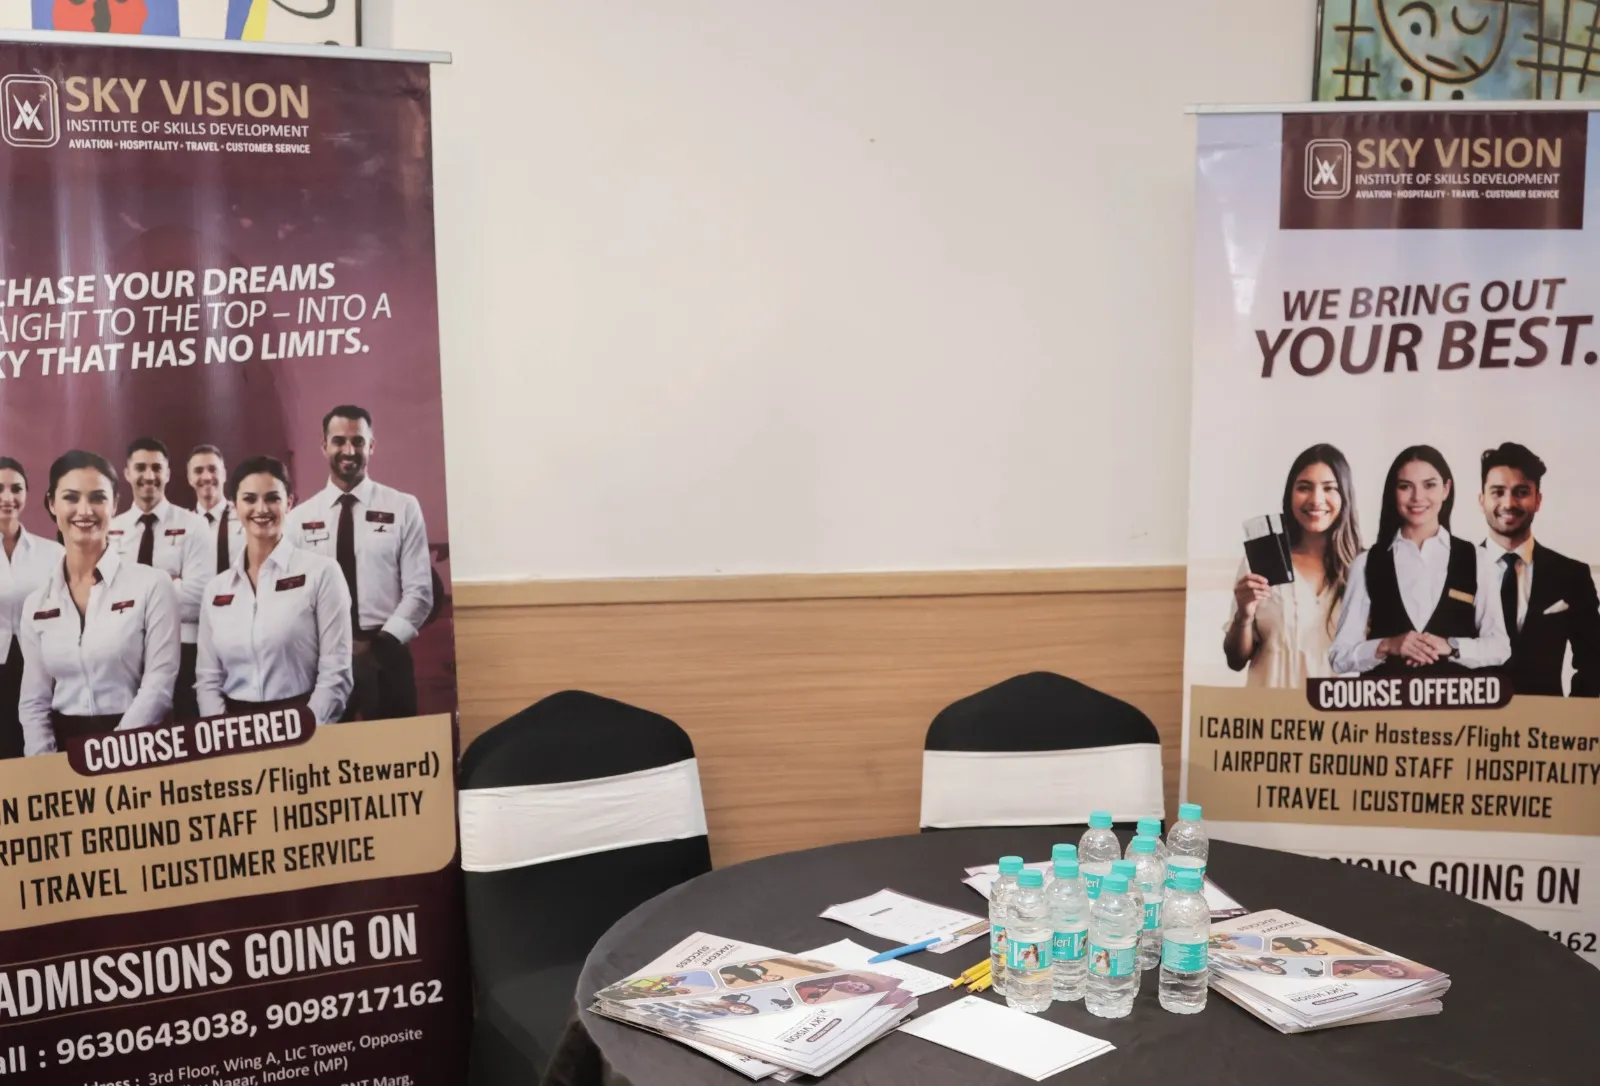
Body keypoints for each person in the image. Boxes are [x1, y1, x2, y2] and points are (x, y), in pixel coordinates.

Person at [17, 451, 179, 754]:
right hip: (62, 752)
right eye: (71, 498)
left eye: (97, 498)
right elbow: (34, 701)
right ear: (52, 503)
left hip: (136, 748)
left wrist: (110, 754)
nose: (85, 510)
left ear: (114, 504)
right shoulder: (36, 604)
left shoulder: (153, 585)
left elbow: (158, 687)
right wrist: (44, 763)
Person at [285, 406, 431, 721]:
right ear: (324, 446)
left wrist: (380, 644)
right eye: (339, 441)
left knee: (397, 746)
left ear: (371, 446)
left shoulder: (403, 507)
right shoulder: (297, 520)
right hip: (322, 661)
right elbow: (291, 597)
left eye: (358, 441)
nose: (349, 451)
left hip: (387, 654)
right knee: (326, 748)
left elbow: (420, 592)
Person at [195, 457, 353, 726]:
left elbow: (336, 674)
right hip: (234, 728)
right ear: (234, 506)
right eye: (249, 499)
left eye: (272, 498)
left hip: (304, 722)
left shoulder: (322, 573)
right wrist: (223, 732)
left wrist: (304, 729)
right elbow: (208, 679)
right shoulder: (216, 589)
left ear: (289, 503)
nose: (261, 509)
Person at [1331, 446, 1510, 676]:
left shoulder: (1478, 559)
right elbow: (1340, 657)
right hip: (1388, 698)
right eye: (1405, 486)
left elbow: (1499, 647)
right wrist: (1387, 645)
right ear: (1393, 492)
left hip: (1456, 698)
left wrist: (1452, 646)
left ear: (1446, 489)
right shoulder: (1366, 564)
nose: (1417, 497)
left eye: (1429, 485)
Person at [1225, 444, 1363, 685]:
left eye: (1329, 488)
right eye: (1304, 488)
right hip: (1273, 705)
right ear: (1290, 495)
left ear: (1345, 496)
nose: (1316, 499)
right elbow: (1236, 660)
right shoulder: (1261, 561)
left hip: (1339, 707)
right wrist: (1244, 615)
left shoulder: (1365, 568)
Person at [1477, 443, 1599, 698]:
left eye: (1521, 492)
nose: (1509, 503)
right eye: (1497, 492)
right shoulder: (1452, 572)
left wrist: (1570, 717)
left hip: (1547, 721)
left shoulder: (1572, 575)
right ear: (1482, 500)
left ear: (1538, 500)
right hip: (1470, 721)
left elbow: (1593, 662)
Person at [108, 438, 210, 719]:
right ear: (127, 473)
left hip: (183, 650)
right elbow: (101, 599)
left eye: (156, 468)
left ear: (168, 473)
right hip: (125, 654)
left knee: (184, 733)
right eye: (141, 468)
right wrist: (171, 583)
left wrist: (130, 598)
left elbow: (198, 598)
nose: (149, 476)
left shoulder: (194, 525)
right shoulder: (111, 530)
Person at [0, 459, 63, 758]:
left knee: (34, 745)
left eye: (16, 489)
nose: (7, 497)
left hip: (39, 665)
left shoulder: (52, 553)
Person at [188, 444, 245, 577]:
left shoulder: (245, 517)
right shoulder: (184, 524)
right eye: (198, 471)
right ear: (190, 478)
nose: (207, 477)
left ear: (224, 474)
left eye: (213, 469)